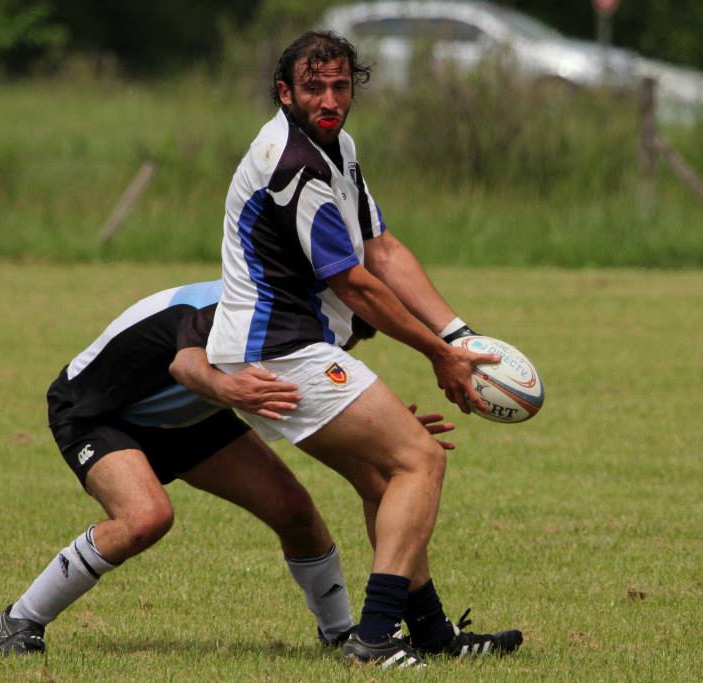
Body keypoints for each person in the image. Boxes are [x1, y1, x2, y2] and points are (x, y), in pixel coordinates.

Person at [206, 31, 523, 667]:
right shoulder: (292, 163)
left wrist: (458, 336)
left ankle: (431, 635)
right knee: (420, 461)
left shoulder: (337, 149)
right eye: (314, 87)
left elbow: (381, 249)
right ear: (284, 92)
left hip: (287, 345)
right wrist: (438, 355)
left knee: (386, 477)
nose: (329, 99)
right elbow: (353, 282)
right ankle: (373, 639)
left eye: (341, 86)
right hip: (276, 352)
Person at [0, 279, 455, 656]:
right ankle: (16, 621)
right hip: (96, 413)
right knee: (146, 518)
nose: (338, 350)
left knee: (294, 510)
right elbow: (184, 367)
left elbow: (323, 415)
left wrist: (388, 434)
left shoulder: (289, 326)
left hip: (188, 416)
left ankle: (337, 634)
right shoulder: (248, 312)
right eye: (338, 339)